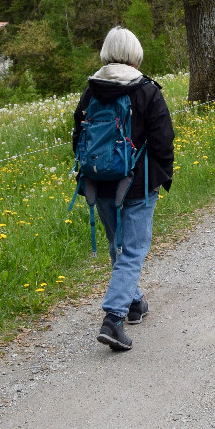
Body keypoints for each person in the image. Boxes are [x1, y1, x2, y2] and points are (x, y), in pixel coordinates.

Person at [73, 26, 174, 352]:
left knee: (118, 244)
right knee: (132, 250)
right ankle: (113, 320)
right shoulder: (146, 90)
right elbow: (163, 141)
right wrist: (163, 176)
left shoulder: (91, 90)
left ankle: (134, 304)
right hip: (137, 183)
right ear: (135, 53)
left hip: (98, 182)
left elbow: (77, 137)